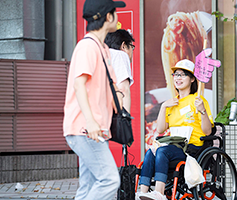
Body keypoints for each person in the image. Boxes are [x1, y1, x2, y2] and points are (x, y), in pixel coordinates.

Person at [63, 0, 126, 199]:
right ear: (108, 16)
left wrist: (119, 96)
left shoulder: (102, 49)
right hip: (87, 129)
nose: (117, 17)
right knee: (110, 180)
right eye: (115, 12)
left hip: (96, 130)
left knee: (88, 186)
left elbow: (112, 88)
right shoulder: (87, 47)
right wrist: (90, 121)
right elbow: (79, 84)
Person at [137, 59, 214, 200]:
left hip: (191, 149)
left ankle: (159, 193)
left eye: (183, 75)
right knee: (150, 152)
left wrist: (202, 111)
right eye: (176, 75)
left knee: (162, 151)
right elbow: (160, 129)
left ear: (192, 79)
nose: (178, 78)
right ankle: (143, 192)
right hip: (174, 147)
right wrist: (163, 107)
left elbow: (208, 132)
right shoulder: (171, 103)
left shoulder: (198, 100)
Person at [105, 29, 135, 112]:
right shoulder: (120, 55)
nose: (132, 52)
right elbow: (123, 89)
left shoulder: (101, 54)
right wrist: (126, 119)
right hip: (112, 113)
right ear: (124, 46)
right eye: (132, 47)